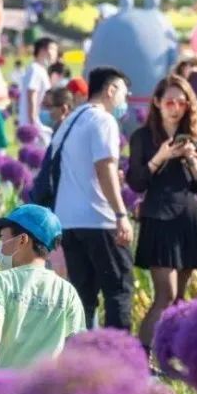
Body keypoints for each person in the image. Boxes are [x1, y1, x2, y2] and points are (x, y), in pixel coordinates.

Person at [128, 76, 197, 348]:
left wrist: (192, 158)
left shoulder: (194, 135)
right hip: (158, 218)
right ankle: (141, 357)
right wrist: (160, 157)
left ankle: (171, 354)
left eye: (181, 102)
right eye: (169, 102)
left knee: (180, 299)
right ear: (157, 103)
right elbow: (136, 182)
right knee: (165, 294)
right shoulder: (142, 137)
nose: (175, 107)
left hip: (187, 218)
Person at [53, 67, 135, 329]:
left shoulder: (71, 120)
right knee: (119, 289)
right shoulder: (104, 120)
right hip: (99, 220)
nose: (125, 99)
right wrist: (121, 214)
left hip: (68, 220)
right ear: (111, 90)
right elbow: (104, 168)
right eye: (124, 92)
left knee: (83, 296)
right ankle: (117, 356)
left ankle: (83, 355)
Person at [0, 204, 85, 369]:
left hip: (3, 388)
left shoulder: (0, 282)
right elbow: (76, 347)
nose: (1, 246)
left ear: (22, 240)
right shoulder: (67, 292)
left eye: (3, 238)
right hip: (45, 391)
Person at [18, 37, 57, 133]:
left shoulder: (40, 69)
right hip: (35, 124)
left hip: (38, 122)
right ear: (43, 50)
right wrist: (33, 122)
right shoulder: (35, 69)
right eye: (53, 49)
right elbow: (32, 94)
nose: (55, 53)